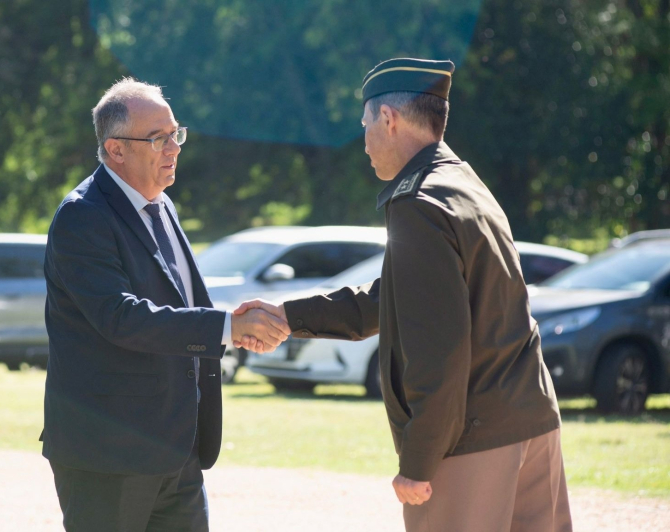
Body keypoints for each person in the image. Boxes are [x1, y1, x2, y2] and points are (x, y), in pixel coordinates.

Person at [237, 58, 573, 531]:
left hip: (472, 439)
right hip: (531, 420)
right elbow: (397, 298)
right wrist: (290, 316)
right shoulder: (463, 183)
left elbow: (440, 344)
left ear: (388, 119)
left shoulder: (418, 203)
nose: (365, 142)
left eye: (365, 125)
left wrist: (419, 460)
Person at [41, 78, 290, 531]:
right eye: (158, 138)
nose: (174, 148)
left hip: (178, 449)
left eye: (176, 134)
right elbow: (121, 318)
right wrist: (226, 328)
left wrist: (237, 328)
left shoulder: (163, 205)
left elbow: (181, 303)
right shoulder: (83, 215)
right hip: (108, 454)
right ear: (116, 150)